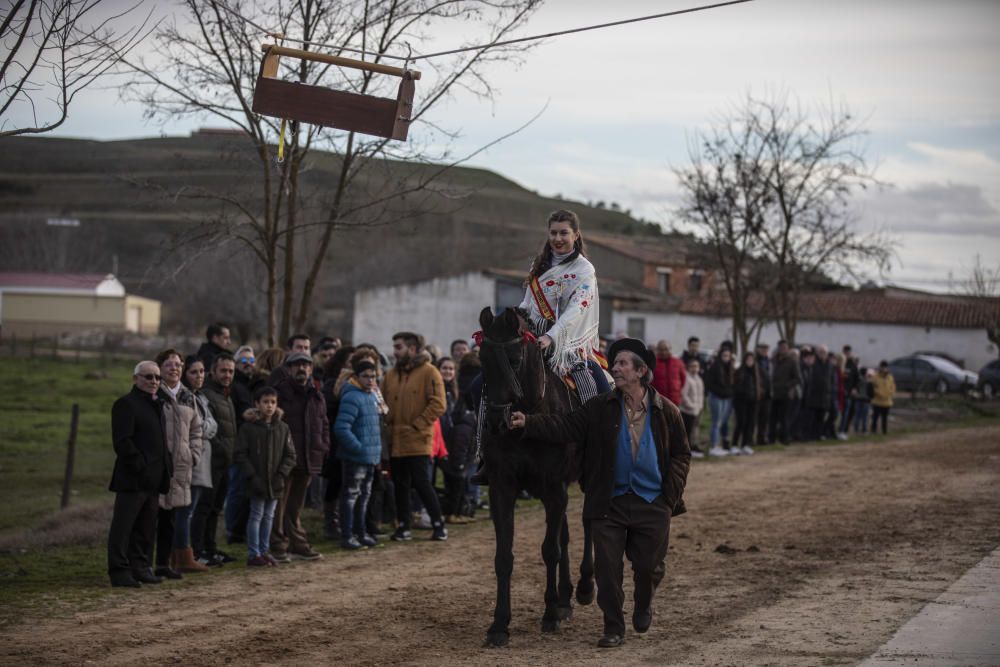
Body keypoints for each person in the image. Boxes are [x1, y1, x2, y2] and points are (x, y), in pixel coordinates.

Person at [510, 338, 690, 648]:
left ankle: (644, 603)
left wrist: (670, 493)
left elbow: (682, 454)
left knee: (648, 567)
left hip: (653, 503)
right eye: (615, 363)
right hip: (609, 500)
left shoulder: (667, 411)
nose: (614, 368)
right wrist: (529, 422)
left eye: (621, 364)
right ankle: (613, 627)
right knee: (607, 570)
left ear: (641, 371)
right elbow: (565, 426)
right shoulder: (599, 407)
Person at [107, 361, 172, 587]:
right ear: (136, 379)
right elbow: (122, 442)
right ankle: (119, 571)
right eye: (148, 377)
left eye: (156, 378)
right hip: (132, 479)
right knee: (123, 528)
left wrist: (165, 469)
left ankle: (141, 567)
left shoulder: (157, 405)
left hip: (153, 481)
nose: (154, 381)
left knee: (145, 529)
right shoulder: (126, 404)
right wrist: (141, 466)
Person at [382, 331, 448, 542]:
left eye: (398, 347)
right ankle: (404, 526)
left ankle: (438, 524)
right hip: (395, 440)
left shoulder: (430, 372)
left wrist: (417, 425)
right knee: (400, 484)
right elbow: (383, 403)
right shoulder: (391, 375)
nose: (395, 352)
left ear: (411, 349)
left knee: (422, 483)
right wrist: (388, 420)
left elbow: (439, 404)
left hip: (418, 440)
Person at [271, 351, 329, 561]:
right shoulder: (278, 394)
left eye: (306, 365)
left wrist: (323, 447)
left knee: (295, 507)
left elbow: (323, 424)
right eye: (297, 365)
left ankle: (298, 544)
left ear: (311, 369)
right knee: (279, 507)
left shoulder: (316, 395)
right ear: (288, 369)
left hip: (308, 459)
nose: (302, 369)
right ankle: (278, 546)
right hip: (284, 461)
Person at [153, 349, 204, 580]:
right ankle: (143, 564)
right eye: (169, 364)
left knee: (170, 519)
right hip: (157, 465)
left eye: (178, 364)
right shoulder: (154, 393)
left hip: (181, 467)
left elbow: (197, 430)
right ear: (160, 368)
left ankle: (164, 564)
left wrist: (193, 455)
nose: (174, 368)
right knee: (150, 517)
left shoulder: (188, 396)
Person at [235, 386, 296, 567]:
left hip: (276, 482)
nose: (269, 406)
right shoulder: (248, 428)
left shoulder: (283, 428)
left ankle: (265, 550)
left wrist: (281, 474)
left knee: (269, 516)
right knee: (256, 515)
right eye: (265, 402)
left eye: (273, 402)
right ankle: (254, 553)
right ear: (257, 404)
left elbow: (290, 455)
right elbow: (240, 454)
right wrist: (253, 476)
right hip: (257, 482)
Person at [333, 355, 384, 550]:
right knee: (351, 497)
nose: (371, 380)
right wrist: (359, 448)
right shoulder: (352, 396)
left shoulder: (371, 395)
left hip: (370, 458)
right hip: (356, 458)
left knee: (364, 497)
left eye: (373, 376)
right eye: (366, 376)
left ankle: (360, 532)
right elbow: (341, 428)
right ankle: (347, 535)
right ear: (357, 376)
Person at [194, 353, 238, 567]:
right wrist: (222, 450)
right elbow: (213, 433)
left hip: (225, 463)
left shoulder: (226, 395)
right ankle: (197, 550)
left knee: (215, 508)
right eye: (223, 370)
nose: (227, 375)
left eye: (231, 371)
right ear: (213, 371)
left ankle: (210, 548)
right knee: (203, 508)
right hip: (211, 461)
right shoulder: (207, 395)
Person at [178, 356, 214, 573]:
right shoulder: (185, 396)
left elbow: (211, 425)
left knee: (192, 509)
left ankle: (185, 553)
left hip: (203, 458)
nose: (199, 376)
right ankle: (183, 555)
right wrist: (206, 428)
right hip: (193, 458)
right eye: (194, 372)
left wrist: (206, 427)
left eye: (201, 372)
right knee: (186, 511)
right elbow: (200, 427)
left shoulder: (201, 397)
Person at [225, 345, 256, 545]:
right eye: (244, 361)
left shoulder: (255, 384)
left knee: (248, 490)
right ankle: (232, 531)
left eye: (251, 361)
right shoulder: (233, 387)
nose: (248, 365)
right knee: (236, 489)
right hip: (238, 445)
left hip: (255, 447)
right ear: (236, 364)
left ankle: (244, 530)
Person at [704, 346, 735, 457]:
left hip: (727, 398)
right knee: (716, 422)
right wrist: (720, 392)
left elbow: (732, 383)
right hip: (716, 397)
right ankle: (714, 446)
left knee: (723, 422)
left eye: (728, 355)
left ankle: (720, 445)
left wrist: (729, 393)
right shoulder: (715, 367)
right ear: (720, 356)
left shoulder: (731, 367)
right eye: (724, 355)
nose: (726, 357)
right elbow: (709, 383)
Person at [770, 340, 800, 445]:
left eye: (785, 347)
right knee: (773, 418)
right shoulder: (773, 360)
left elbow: (797, 378)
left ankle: (784, 438)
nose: (783, 349)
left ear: (787, 349)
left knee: (784, 418)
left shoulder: (792, 361)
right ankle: (771, 439)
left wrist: (788, 386)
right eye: (781, 347)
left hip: (785, 394)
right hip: (774, 393)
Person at [732, 351, 761, 456]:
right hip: (741, 402)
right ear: (744, 360)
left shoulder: (755, 373)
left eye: (752, 360)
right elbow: (736, 387)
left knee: (750, 424)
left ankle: (745, 445)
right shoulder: (740, 371)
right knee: (741, 423)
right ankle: (734, 445)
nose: (750, 362)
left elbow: (757, 387)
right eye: (748, 360)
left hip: (752, 402)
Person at [679, 358, 704, 458]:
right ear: (688, 367)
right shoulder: (686, 379)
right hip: (688, 410)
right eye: (692, 366)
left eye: (696, 366)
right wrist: (691, 406)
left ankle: (694, 447)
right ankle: (687, 450)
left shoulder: (699, 379)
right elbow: (683, 395)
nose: (695, 368)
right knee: (687, 431)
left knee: (695, 429)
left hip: (698, 409)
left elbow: (701, 394)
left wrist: (700, 406)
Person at [651, 340, 686, 406]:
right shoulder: (652, 363)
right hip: (658, 401)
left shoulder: (678, 363)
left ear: (670, 349)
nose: (664, 352)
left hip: (674, 401)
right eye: (661, 350)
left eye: (666, 349)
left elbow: (683, 379)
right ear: (657, 350)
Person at [870, 361, 896, 434]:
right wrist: (880, 394)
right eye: (882, 367)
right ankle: (873, 430)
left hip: (887, 401)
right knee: (875, 417)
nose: (884, 369)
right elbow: (874, 388)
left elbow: (893, 387)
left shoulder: (890, 377)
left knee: (884, 418)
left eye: (885, 367)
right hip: (877, 401)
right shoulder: (875, 377)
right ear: (880, 368)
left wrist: (890, 393)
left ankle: (884, 431)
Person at [754, 343, 772, 446]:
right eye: (763, 349)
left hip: (768, 393)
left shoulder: (769, 362)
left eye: (766, 350)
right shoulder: (756, 361)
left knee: (765, 418)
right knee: (755, 418)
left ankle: (762, 438)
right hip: (759, 392)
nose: (765, 351)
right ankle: (752, 438)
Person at [853, 368, 874, 434]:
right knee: (865, 416)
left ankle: (856, 429)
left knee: (857, 415)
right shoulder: (868, 382)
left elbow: (855, 390)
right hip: (866, 401)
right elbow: (872, 392)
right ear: (865, 373)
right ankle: (864, 429)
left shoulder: (857, 381)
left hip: (858, 400)